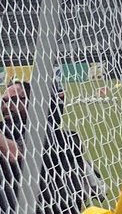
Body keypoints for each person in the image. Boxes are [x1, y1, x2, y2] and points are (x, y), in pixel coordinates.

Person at [0, 82, 103, 214]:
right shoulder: (6, 130)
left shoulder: (42, 131)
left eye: (14, 100)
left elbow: (14, 153)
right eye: (4, 101)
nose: (7, 106)